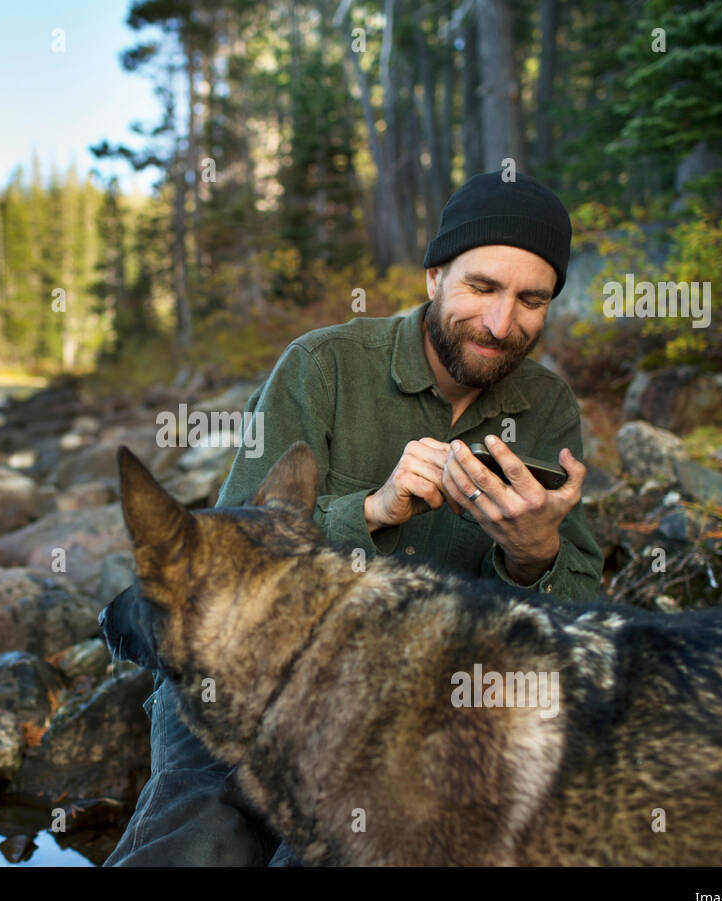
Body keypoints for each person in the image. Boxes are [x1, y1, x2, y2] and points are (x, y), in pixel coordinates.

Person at [103, 170, 606, 866]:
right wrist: (373, 510)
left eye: (531, 300)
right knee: (203, 836)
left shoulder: (548, 410)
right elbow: (222, 576)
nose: (500, 323)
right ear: (434, 277)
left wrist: (533, 554)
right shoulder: (322, 367)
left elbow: (580, 628)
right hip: (246, 671)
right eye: (482, 288)